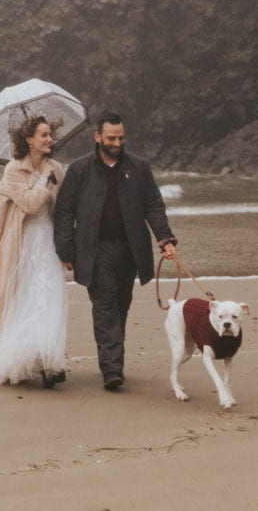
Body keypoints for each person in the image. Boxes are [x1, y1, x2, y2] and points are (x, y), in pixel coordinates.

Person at [53, 111, 177, 391]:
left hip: (130, 248)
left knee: (121, 304)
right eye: (111, 138)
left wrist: (165, 238)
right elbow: (64, 212)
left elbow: (153, 205)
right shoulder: (80, 169)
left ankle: (112, 359)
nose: (117, 142)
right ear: (97, 137)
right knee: (105, 305)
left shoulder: (139, 167)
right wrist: (66, 251)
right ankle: (112, 369)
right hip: (93, 249)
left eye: (121, 137)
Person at [0, 116, 68, 387]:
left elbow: (62, 208)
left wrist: (68, 244)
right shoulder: (13, 170)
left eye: (50, 134)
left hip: (48, 242)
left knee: (48, 298)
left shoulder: (57, 168)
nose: (49, 139)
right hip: (20, 244)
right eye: (43, 135)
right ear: (29, 140)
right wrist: (44, 183)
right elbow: (29, 205)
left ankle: (48, 363)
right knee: (22, 300)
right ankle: (20, 360)